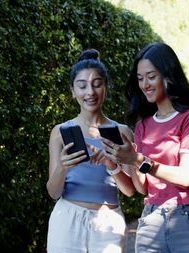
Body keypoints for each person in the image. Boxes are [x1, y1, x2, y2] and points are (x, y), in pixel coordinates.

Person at [101, 42, 189, 252]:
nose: (145, 84)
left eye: (151, 76)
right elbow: (142, 188)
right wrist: (122, 161)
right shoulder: (143, 126)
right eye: (140, 78)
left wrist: (137, 159)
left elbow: (186, 177)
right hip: (151, 221)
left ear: (168, 75)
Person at [46, 49, 135, 253]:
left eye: (97, 84)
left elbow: (130, 191)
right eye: (82, 85)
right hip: (67, 220)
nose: (90, 93)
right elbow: (53, 192)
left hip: (109, 223)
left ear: (105, 87)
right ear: (72, 90)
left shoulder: (122, 132)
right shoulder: (60, 132)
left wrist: (111, 165)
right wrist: (63, 167)